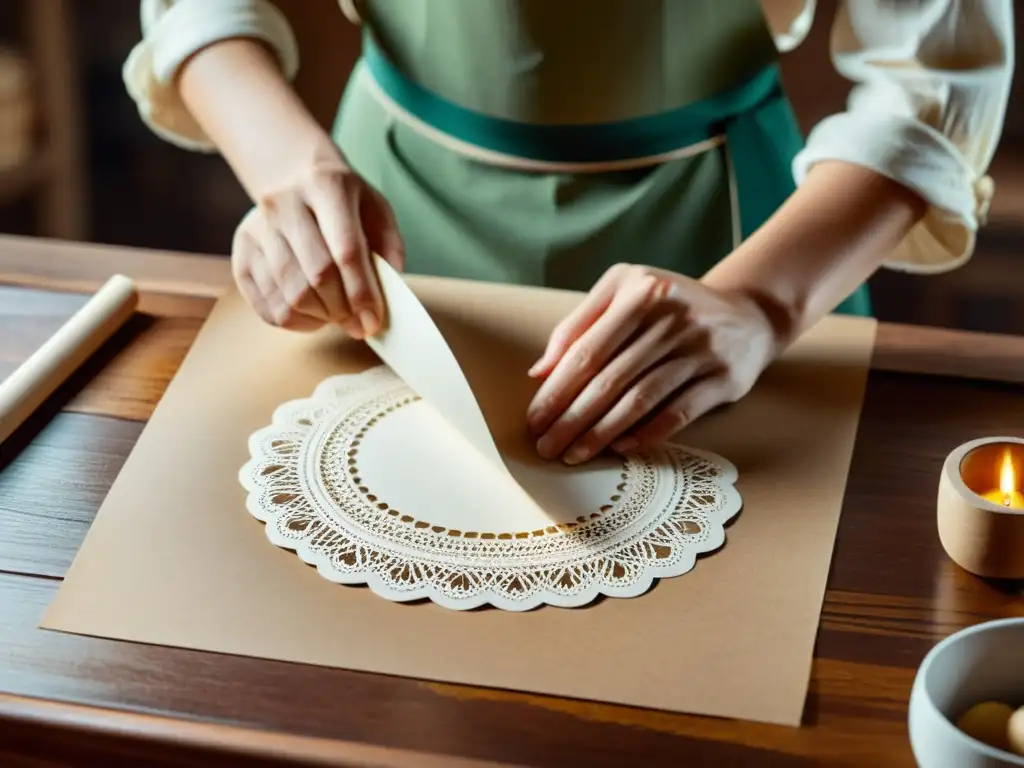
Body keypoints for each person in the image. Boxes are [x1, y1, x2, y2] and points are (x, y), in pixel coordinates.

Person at [126, 0, 1013, 465]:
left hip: (735, 236)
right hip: (378, 230)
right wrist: (286, 171)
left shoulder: (751, 287)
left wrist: (759, 303)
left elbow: (933, 79)